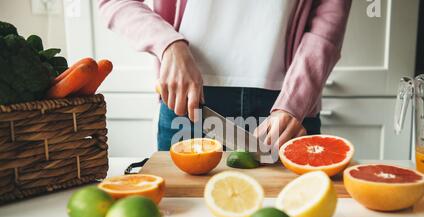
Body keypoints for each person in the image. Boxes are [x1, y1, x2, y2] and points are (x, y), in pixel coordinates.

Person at [99, 0, 352, 151]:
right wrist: (168, 44)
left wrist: (297, 101)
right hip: (188, 103)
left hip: (286, 109)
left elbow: (330, 19)